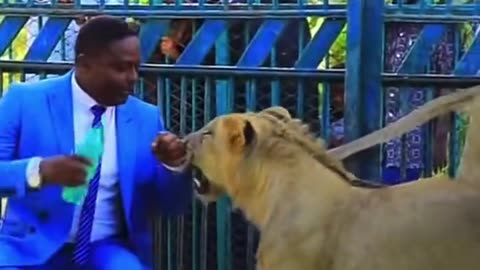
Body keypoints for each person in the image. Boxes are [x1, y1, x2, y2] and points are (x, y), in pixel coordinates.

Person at [0, 16, 192, 270]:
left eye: (136, 67)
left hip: (107, 249)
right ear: (84, 64)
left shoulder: (146, 118)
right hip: (30, 248)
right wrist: (40, 171)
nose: (133, 78)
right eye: (121, 68)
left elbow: (173, 206)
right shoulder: (25, 101)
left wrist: (174, 167)